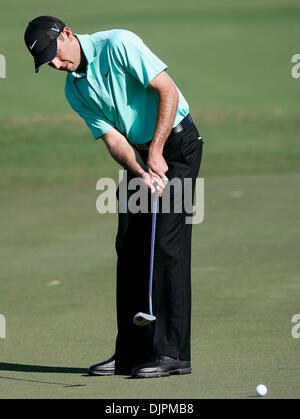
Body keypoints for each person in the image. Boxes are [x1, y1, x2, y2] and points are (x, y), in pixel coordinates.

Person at [24, 15, 204, 379]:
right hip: (139, 154)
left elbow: (167, 91)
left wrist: (157, 152)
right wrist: (142, 170)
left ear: (67, 34)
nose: (57, 65)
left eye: (55, 55)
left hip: (178, 145)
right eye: (48, 63)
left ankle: (172, 353)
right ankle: (132, 351)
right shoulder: (75, 89)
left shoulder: (118, 44)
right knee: (130, 244)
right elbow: (114, 140)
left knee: (166, 245)